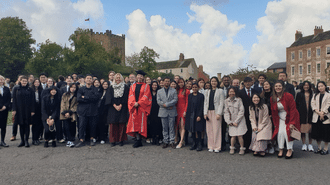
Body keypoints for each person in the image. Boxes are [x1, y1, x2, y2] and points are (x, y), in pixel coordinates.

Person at [270, 80, 300, 159]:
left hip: (290, 117)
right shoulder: (272, 98)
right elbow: (273, 111)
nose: (278, 88)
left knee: (287, 133)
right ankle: (281, 149)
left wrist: (292, 122)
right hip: (280, 118)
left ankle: (290, 150)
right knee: (280, 133)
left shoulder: (288, 96)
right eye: (276, 86)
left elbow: (293, 110)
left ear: (283, 87)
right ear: (274, 88)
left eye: (279, 86)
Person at [126, 70, 152, 148]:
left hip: (141, 108)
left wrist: (139, 103)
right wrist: (134, 103)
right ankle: (137, 139)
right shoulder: (132, 86)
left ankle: (139, 140)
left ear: (143, 77)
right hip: (134, 107)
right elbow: (130, 96)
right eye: (138, 75)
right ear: (136, 77)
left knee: (141, 123)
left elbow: (146, 96)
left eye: (141, 76)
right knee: (135, 123)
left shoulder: (146, 86)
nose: (139, 77)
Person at [76, 74, 101, 147]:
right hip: (83, 111)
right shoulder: (81, 89)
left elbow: (96, 98)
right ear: (85, 79)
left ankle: (92, 139)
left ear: (92, 80)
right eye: (88, 78)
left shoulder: (95, 89)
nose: (89, 79)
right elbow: (79, 99)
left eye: (90, 78)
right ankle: (81, 140)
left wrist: (85, 97)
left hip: (93, 111)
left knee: (92, 126)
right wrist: (89, 98)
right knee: (81, 126)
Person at [12, 76, 35, 147]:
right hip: (19, 110)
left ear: (27, 81)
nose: (24, 82)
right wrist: (14, 109)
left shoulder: (30, 89)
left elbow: (33, 101)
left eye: (25, 81)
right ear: (20, 81)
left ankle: (26, 141)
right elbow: (14, 100)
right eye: (23, 81)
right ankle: (22, 141)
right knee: (21, 125)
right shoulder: (16, 89)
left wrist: (32, 110)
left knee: (27, 125)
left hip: (28, 110)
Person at [107, 73, 129, 147]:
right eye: (117, 78)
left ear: (122, 79)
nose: (118, 79)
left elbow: (126, 96)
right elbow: (109, 97)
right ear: (114, 79)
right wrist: (115, 105)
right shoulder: (111, 87)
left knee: (122, 124)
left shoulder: (125, 87)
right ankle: (113, 140)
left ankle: (121, 140)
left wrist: (120, 105)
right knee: (113, 124)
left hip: (122, 107)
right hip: (112, 107)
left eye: (119, 78)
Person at [204, 77, 225, 153]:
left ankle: (217, 146)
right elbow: (205, 103)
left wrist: (219, 113)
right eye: (212, 81)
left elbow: (221, 103)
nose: (213, 83)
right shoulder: (207, 91)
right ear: (210, 82)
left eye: (215, 81)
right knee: (209, 130)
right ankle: (210, 146)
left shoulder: (220, 91)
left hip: (216, 112)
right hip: (209, 111)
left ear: (217, 82)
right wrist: (205, 113)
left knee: (217, 130)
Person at [224, 87, 247, 155]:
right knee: (233, 136)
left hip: (240, 120)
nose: (231, 93)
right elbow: (226, 112)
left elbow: (241, 111)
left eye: (233, 92)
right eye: (230, 92)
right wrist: (229, 121)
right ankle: (232, 147)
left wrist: (236, 121)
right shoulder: (226, 101)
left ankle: (242, 148)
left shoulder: (239, 100)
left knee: (240, 135)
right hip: (232, 121)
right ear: (228, 93)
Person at [157, 77, 178, 149]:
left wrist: (167, 105)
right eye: (166, 81)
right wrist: (164, 105)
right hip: (163, 111)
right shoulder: (159, 91)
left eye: (168, 81)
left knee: (172, 127)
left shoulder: (174, 90)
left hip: (172, 111)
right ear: (163, 82)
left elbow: (175, 100)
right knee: (164, 127)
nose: (167, 82)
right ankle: (165, 141)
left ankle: (172, 141)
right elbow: (158, 101)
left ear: (170, 82)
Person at [238, 77, 258, 151]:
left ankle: (253, 145)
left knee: (252, 128)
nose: (247, 83)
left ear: (252, 82)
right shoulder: (240, 92)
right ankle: (246, 146)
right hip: (244, 113)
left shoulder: (255, 91)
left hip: (253, 112)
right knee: (245, 129)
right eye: (246, 82)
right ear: (244, 83)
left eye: (249, 82)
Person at [311, 81, 330, 155]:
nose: (320, 88)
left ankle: (325, 149)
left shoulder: (328, 95)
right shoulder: (315, 95)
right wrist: (318, 112)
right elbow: (313, 104)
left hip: (326, 116)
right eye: (319, 86)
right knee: (317, 133)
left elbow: (329, 105)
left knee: (326, 134)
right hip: (316, 116)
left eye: (322, 86)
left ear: (325, 86)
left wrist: (323, 113)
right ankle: (319, 148)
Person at [185, 83, 205, 151]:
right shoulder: (190, 96)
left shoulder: (201, 96)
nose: (194, 89)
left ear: (198, 88)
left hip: (197, 114)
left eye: (195, 87)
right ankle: (194, 143)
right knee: (192, 130)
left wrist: (199, 115)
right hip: (191, 114)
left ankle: (199, 144)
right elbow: (189, 105)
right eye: (193, 87)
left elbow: (201, 106)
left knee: (198, 130)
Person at [296, 81, 314, 152]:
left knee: (310, 130)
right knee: (302, 130)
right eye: (305, 85)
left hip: (311, 113)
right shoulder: (299, 94)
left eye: (307, 85)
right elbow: (296, 104)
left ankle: (310, 144)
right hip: (302, 114)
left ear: (309, 86)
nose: (306, 86)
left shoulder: (313, 94)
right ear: (302, 86)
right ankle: (304, 144)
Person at [60, 83, 78, 148]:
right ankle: (69, 140)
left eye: (74, 87)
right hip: (64, 113)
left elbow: (76, 105)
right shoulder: (65, 95)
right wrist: (65, 112)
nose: (73, 89)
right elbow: (62, 104)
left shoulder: (76, 96)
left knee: (72, 127)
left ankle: (71, 138)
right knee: (66, 127)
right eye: (72, 87)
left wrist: (70, 112)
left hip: (72, 113)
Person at [175, 78, 190, 148]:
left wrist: (185, 111)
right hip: (177, 109)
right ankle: (182, 139)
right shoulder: (176, 91)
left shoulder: (187, 91)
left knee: (182, 125)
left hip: (183, 109)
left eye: (182, 82)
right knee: (179, 126)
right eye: (179, 82)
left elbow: (187, 101)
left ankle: (180, 141)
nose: (181, 84)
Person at [148, 81, 163, 145]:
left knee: (158, 124)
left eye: (155, 85)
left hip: (158, 110)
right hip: (151, 110)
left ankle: (157, 138)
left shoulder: (159, 92)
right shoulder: (149, 92)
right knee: (151, 124)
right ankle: (153, 137)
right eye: (153, 85)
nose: (154, 87)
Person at [31, 79, 43, 146]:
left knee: (39, 124)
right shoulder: (31, 90)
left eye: (38, 82)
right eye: (35, 82)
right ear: (33, 83)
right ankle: (34, 139)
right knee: (34, 124)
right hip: (33, 109)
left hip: (40, 109)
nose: (37, 83)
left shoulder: (41, 90)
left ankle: (37, 138)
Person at [0, 75, 11, 147]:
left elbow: (9, 99)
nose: (1, 81)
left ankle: (2, 141)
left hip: (4, 110)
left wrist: (5, 106)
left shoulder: (7, 89)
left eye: (2, 80)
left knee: (3, 126)